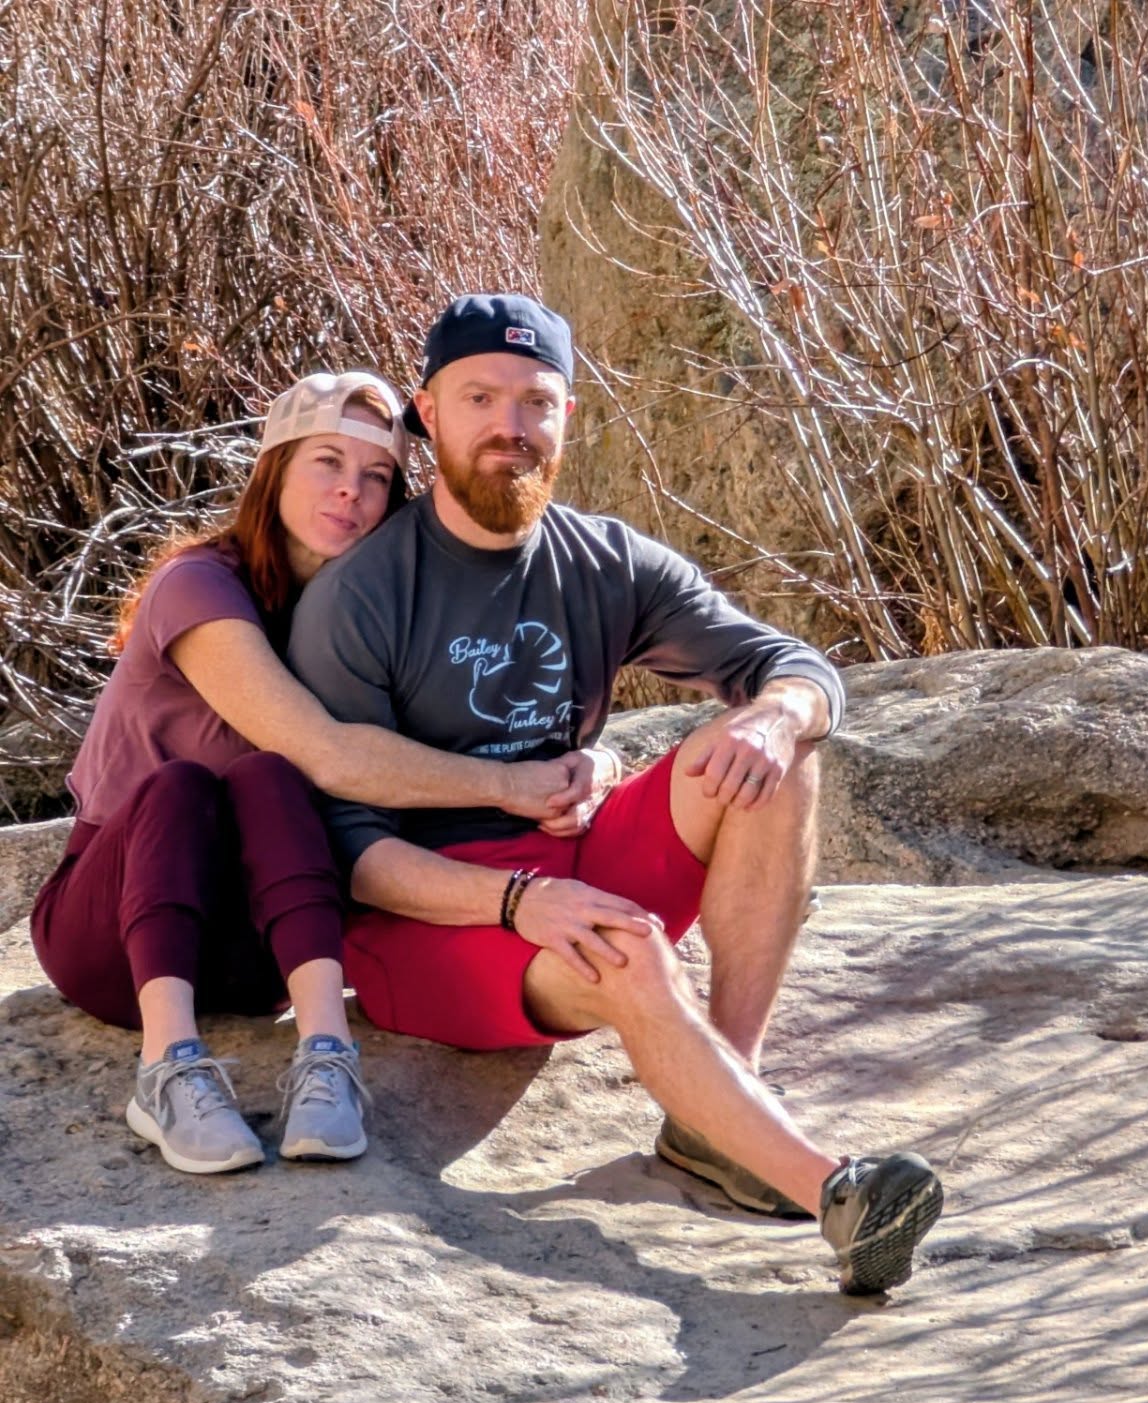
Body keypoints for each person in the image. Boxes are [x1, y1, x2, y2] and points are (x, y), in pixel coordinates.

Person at [287, 297, 944, 1295]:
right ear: (429, 412)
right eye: (478, 398)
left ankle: (720, 1105)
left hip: (575, 862)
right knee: (625, 943)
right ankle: (836, 1194)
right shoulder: (365, 594)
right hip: (431, 921)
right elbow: (345, 854)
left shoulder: (605, 561)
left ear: (568, 415)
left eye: (534, 401)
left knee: (773, 751)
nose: (510, 425)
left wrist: (776, 714)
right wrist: (517, 902)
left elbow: (791, 663)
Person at [30, 372, 582, 1176]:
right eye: (327, 462)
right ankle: (167, 1069)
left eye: (378, 477)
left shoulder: (372, 619)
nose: (350, 494)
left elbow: (478, 729)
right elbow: (324, 749)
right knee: (201, 783)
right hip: (113, 938)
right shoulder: (200, 585)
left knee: (271, 784)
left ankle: (327, 1055)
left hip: (259, 955)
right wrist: (508, 787)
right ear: (275, 470)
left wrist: (583, 762)